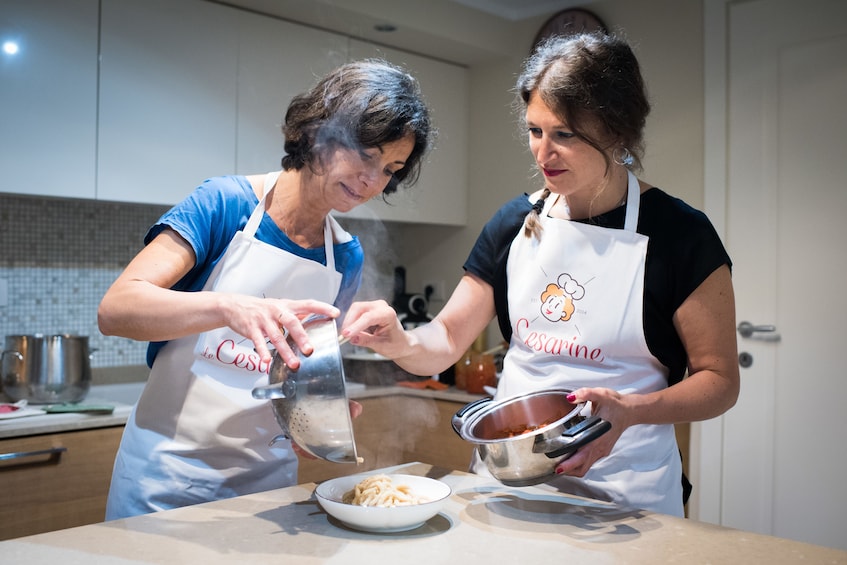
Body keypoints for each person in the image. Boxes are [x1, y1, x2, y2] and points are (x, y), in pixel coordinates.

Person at [341, 33, 740, 517]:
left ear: (617, 131)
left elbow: (719, 380)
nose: (543, 153)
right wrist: (401, 343)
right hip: (510, 481)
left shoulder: (681, 235)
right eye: (535, 131)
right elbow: (447, 336)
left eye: (565, 135)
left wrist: (632, 411)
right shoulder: (514, 223)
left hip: (626, 494)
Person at [98, 59, 432, 520]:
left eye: (391, 168)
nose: (374, 181)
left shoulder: (345, 256)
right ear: (319, 133)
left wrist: (315, 417)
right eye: (368, 156)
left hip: (265, 490)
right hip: (165, 476)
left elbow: (291, 374)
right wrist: (228, 306)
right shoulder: (225, 204)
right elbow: (116, 309)